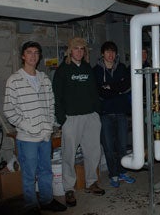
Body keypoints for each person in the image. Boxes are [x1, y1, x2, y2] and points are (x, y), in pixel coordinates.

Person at [3, 41, 67, 214]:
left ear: (39, 56)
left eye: (36, 52)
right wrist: (28, 126)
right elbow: (9, 110)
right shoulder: (14, 80)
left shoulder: (44, 78)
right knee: (29, 174)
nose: (33, 55)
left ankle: (46, 201)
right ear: (23, 56)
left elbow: (51, 104)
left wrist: (50, 126)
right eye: (29, 52)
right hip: (27, 138)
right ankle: (31, 205)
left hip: (45, 136)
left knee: (46, 171)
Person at [52, 37, 105, 207]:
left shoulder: (87, 68)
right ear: (70, 50)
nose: (79, 52)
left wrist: (97, 112)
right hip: (71, 119)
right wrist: (62, 120)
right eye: (76, 49)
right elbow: (57, 97)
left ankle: (91, 182)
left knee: (93, 152)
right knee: (69, 154)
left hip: (90, 117)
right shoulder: (62, 70)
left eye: (82, 49)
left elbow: (94, 92)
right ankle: (68, 188)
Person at [93, 41, 135, 188]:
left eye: (113, 52)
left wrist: (110, 87)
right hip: (105, 114)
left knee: (122, 145)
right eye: (107, 52)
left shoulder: (122, 68)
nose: (110, 55)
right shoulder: (96, 71)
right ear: (102, 54)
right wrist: (116, 88)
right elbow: (100, 91)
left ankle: (123, 171)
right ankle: (114, 174)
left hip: (121, 112)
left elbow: (126, 86)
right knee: (109, 147)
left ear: (116, 54)